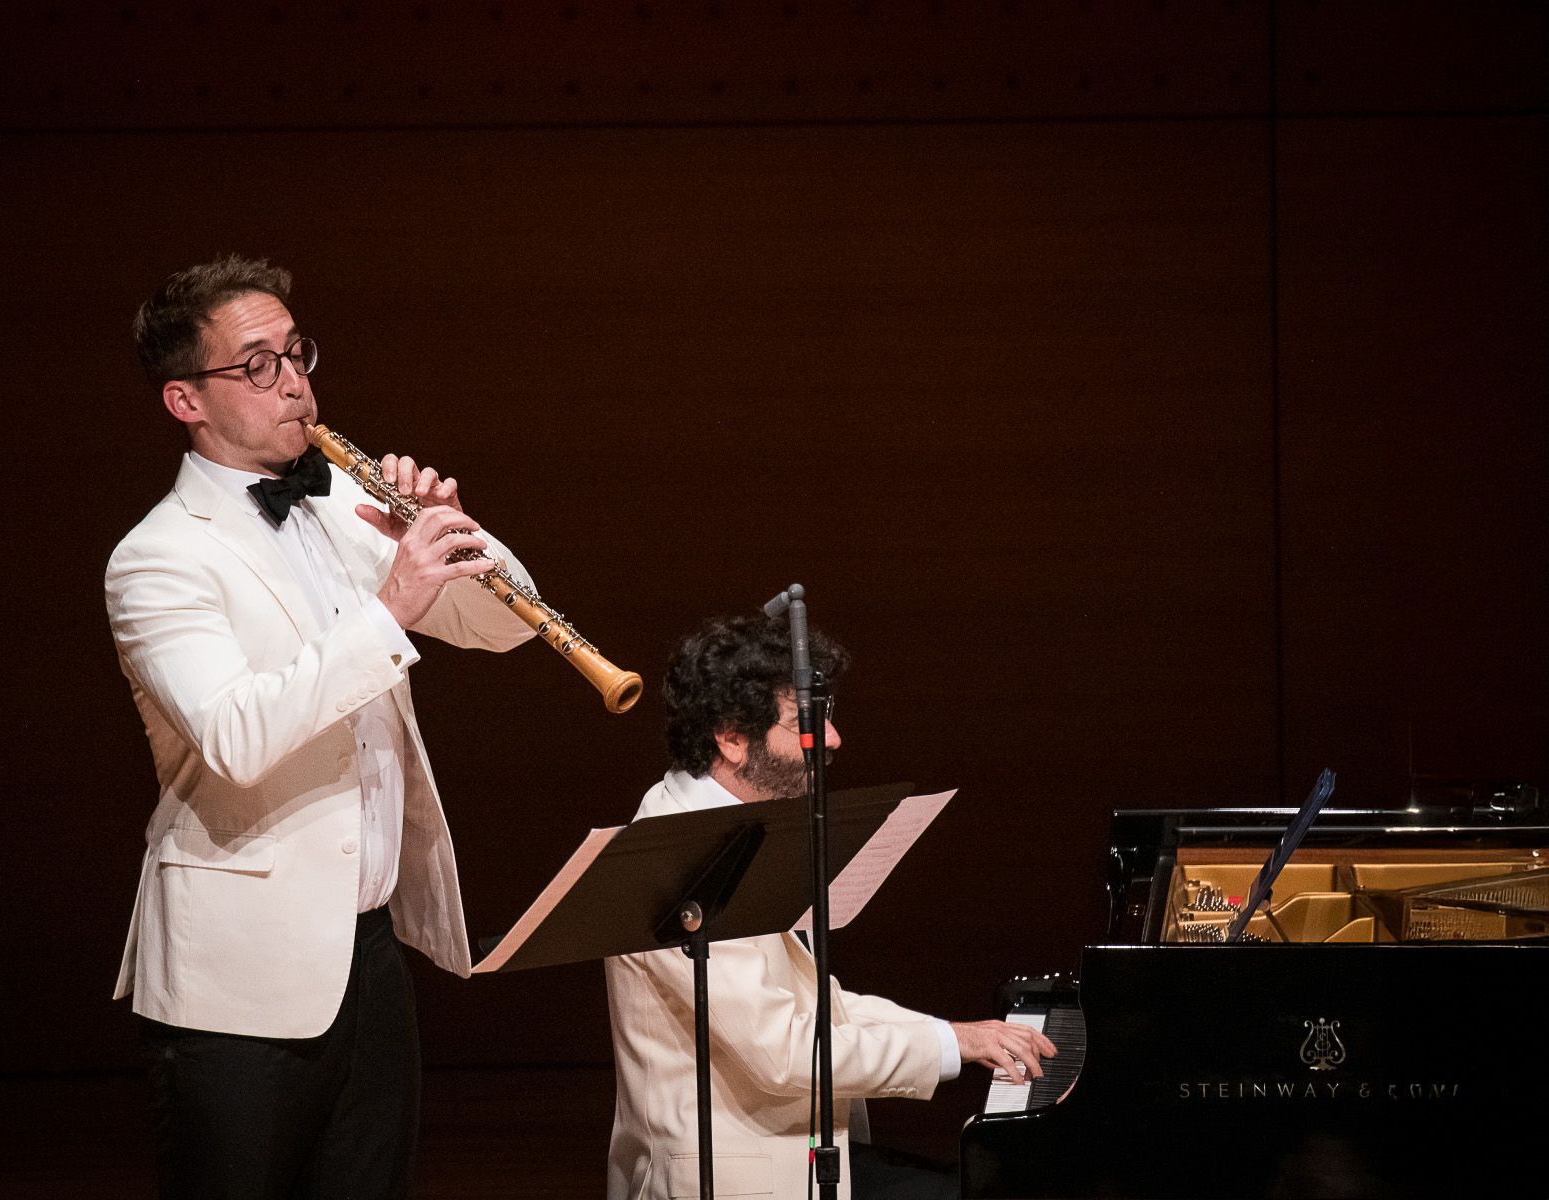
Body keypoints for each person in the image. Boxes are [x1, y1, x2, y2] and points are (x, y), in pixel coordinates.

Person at [107, 254, 534, 1198]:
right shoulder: (156, 559)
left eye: (295, 352)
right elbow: (237, 738)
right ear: (186, 399)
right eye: (256, 364)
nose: (294, 379)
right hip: (238, 974)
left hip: (370, 950)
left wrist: (455, 533)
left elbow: (506, 630)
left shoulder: (344, 504)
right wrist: (391, 605)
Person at [605, 614, 1057, 1200]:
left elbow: (819, 1002)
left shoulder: (733, 825)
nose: (834, 739)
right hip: (733, 1180)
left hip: (797, 1150)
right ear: (732, 737)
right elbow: (784, 1052)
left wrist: (960, 1035)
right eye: (805, 724)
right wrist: (953, 1045)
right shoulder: (671, 854)